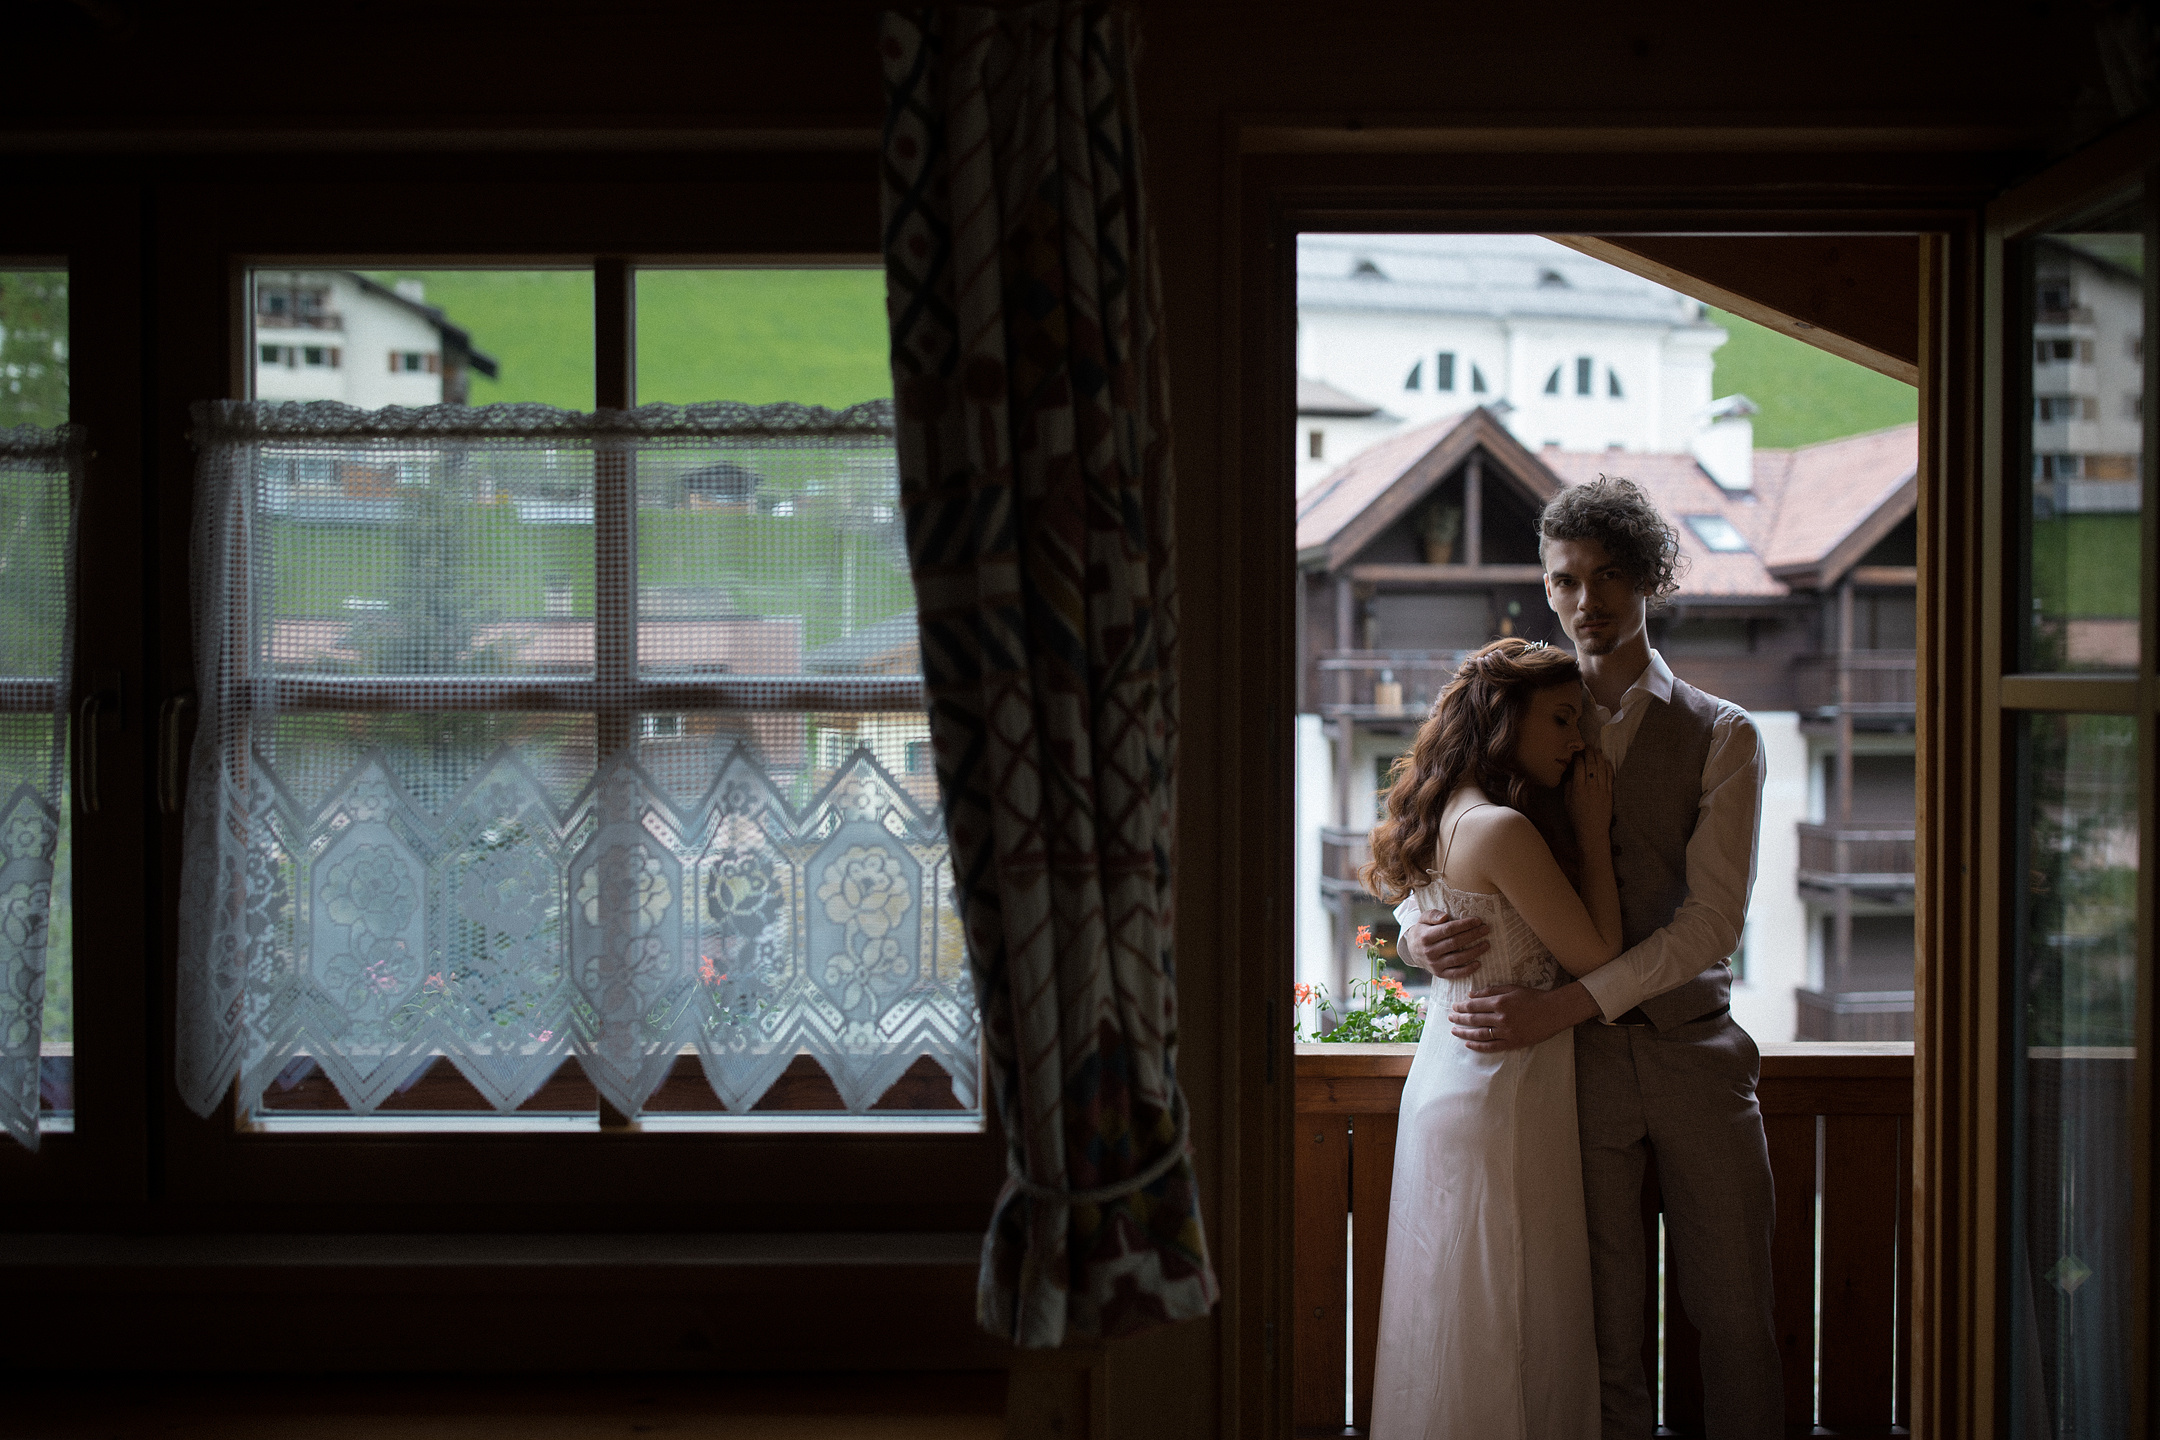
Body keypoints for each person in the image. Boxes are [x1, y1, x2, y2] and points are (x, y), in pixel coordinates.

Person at [1397, 476, 1781, 1439]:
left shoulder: (1723, 734)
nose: (1586, 601)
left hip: (1693, 1055)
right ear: (1546, 583)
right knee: (1604, 1339)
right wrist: (1417, 935)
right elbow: (1442, 844)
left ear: (1650, 577)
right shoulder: (1520, 714)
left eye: (1610, 576)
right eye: (1566, 579)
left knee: (1736, 1320)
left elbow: (1710, 925)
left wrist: (1566, 1006)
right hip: (1573, 1080)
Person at [1364, 637, 1620, 1440]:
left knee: (1454, 1318)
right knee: (1514, 1319)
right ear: (1503, 717)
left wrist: (1411, 942)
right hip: (1502, 1095)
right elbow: (1599, 957)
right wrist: (1593, 830)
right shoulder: (1503, 828)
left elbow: (1413, 911)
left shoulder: (1442, 811)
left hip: (1451, 1079)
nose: (1576, 740)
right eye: (1561, 719)